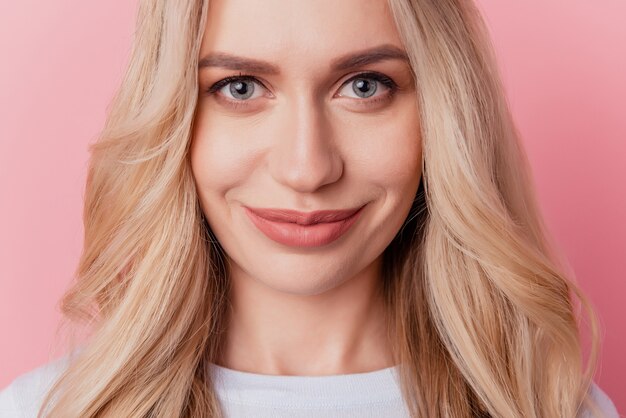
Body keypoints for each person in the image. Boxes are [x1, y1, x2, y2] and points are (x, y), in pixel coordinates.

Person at [0, 0, 620, 417]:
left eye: (366, 85)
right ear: (174, 118)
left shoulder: (552, 406)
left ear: (443, 114)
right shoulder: (47, 410)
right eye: (239, 88)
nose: (307, 168)